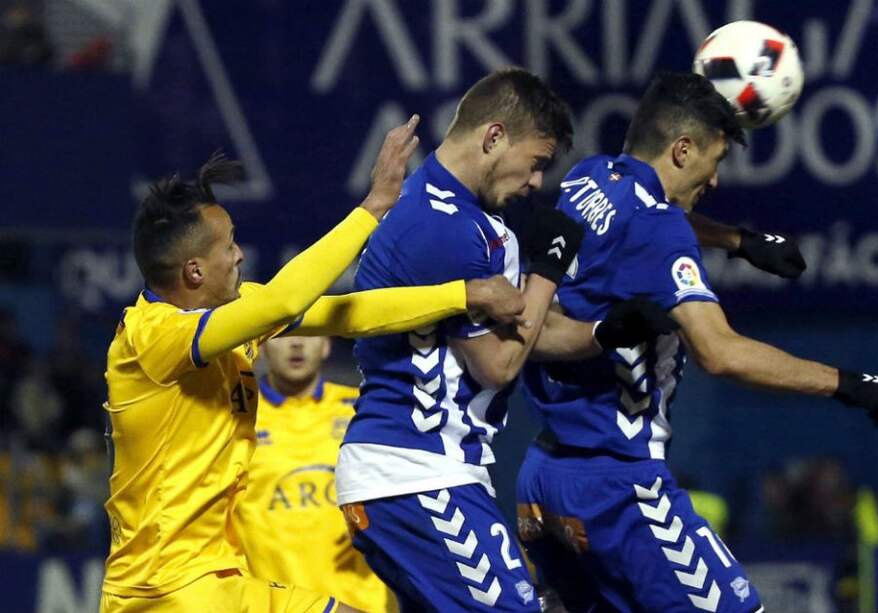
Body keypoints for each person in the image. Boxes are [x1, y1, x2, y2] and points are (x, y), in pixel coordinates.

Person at [335, 67, 796, 612]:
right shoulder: (447, 229)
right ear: (494, 137)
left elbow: (532, 338)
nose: (536, 183)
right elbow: (502, 365)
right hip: (416, 472)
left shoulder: (442, 208)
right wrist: (547, 271)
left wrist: (602, 332)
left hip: (417, 472)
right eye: (535, 164)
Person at [100, 116, 530, 613]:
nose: (240, 254)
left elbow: (350, 314)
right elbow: (284, 302)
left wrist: (463, 294)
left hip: (215, 577)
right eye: (229, 245)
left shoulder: (228, 319)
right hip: (164, 590)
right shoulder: (150, 337)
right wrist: (372, 209)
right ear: (194, 270)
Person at [515, 71, 878, 613]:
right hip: (618, 487)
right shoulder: (659, 230)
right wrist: (846, 383)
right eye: (714, 161)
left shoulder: (590, 179)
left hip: (544, 476)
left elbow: (647, 215)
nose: (716, 180)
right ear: (682, 149)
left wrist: (737, 240)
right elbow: (720, 352)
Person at [235, 334, 396, 612]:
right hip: (278, 603)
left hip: (363, 602)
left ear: (326, 344)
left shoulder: (364, 412)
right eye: (283, 335)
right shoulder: (234, 420)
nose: (297, 343)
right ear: (260, 346)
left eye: (310, 332)